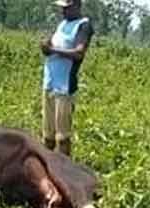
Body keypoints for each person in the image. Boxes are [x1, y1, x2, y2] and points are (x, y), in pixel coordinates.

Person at [40, 0, 93, 158]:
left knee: (62, 138)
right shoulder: (62, 24)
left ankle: (65, 172)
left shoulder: (84, 25)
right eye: (62, 8)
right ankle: (48, 169)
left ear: (77, 6)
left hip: (64, 87)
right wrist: (46, 48)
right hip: (49, 84)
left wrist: (52, 49)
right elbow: (53, 49)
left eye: (67, 8)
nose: (63, 11)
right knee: (47, 137)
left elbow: (78, 53)